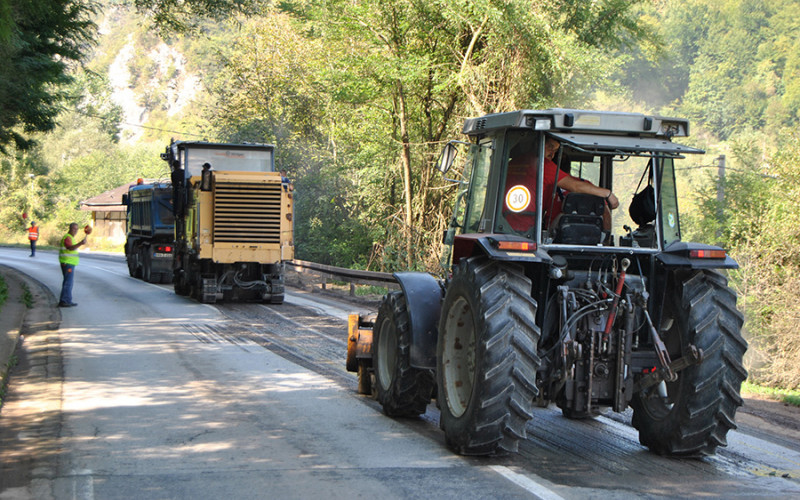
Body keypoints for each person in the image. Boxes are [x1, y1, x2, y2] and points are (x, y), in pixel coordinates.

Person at [504, 137, 619, 232]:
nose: (552, 154)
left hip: (503, 224)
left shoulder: (511, 164)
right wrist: (607, 193)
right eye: (550, 147)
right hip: (525, 227)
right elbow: (575, 186)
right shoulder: (542, 165)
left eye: (555, 150)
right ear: (538, 143)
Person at [58, 222, 87, 307]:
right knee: (68, 282)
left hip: (69, 263)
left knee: (68, 282)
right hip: (67, 263)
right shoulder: (67, 237)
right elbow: (70, 248)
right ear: (70, 229)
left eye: (77, 229)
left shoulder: (70, 238)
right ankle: (64, 301)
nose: (75, 231)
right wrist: (80, 243)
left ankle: (67, 300)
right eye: (74, 229)